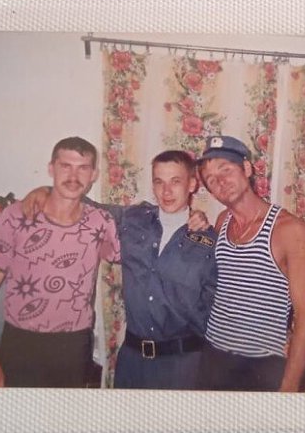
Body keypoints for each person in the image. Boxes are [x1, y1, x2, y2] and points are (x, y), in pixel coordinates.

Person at [22, 150, 217, 390]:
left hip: (183, 365)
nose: (166, 191)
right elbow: (87, 205)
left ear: (192, 184)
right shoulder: (132, 219)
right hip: (132, 362)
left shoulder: (211, 242)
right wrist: (45, 190)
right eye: (159, 182)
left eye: (175, 181)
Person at [196, 135, 305, 393]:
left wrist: (289, 389)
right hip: (213, 358)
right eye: (211, 179)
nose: (220, 181)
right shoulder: (222, 221)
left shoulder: (289, 230)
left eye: (226, 170)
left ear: (247, 169)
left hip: (261, 365)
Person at [0, 137, 120, 388]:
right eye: (65, 166)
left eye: (83, 168)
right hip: (21, 342)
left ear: (94, 175)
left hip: (74, 346)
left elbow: (131, 247)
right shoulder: (17, 216)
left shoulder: (102, 222)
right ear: (51, 168)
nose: (73, 176)